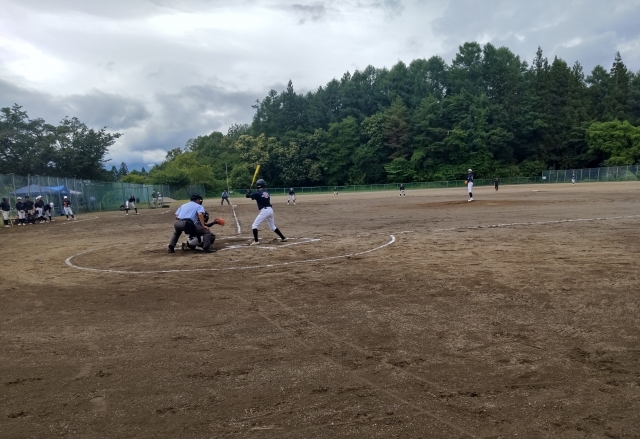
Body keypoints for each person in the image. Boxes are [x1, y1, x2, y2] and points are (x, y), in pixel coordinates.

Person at [246, 179, 287, 245]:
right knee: (272, 226)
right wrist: (250, 194)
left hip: (264, 211)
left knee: (254, 225)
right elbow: (257, 196)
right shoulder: (267, 192)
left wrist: (249, 193)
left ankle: (256, 241)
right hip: (270, 210)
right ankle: (283, 238)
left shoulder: (257, 193)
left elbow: (248, 196)